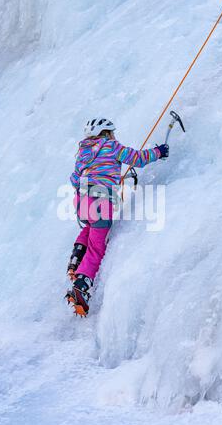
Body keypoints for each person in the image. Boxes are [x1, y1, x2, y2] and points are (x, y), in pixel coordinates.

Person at [66, 118, 169, 316]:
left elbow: (74, 179)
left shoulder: (84, 152)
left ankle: (76, 257)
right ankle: (81, 285)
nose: (114, 135)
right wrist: (159, 152)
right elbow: (137, 158)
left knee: (88, 227)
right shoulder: (112, 146)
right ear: (106, 133)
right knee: (97, 248)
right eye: (111, 132)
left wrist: (104, 175)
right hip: (100, 201)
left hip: (81, 201)